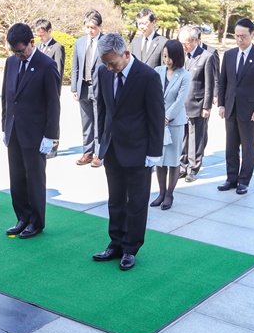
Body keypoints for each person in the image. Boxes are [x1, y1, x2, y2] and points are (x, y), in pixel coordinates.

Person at [92, 33, 165, 270]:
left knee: (136, 203)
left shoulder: (147, 76)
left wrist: (153, 152)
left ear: (126, 54)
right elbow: (102, 110)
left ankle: (131, 248)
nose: (110, 68)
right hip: (112, 148)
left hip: (139, 150)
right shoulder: (104, 72)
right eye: (106, 64)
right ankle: (116, 242)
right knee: (115, 200)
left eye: (113, 63)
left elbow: (155, 117)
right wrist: (99, 144)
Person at [1, 23, 61, 239]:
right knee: (16, 178)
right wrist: (4, 126)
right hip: (14, 130)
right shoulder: (11, 63)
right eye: (15, 51)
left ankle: (36, 221)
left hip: (35, 133)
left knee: (34, 179)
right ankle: (22, 217)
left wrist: (51, 136)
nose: (19, 55)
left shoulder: (46, 65)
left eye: (21, 50)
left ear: (31, 43)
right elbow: (6, 98)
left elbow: (53, 104)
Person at [217, 18, 254, 195]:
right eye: (237, 36)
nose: (240, 40)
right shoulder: (229, 55)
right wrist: (221, 104)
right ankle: (231, 178)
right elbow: (223, 81)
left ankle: (244, 180)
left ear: (252, 34)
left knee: (248, 146)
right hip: (230, 107)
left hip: (249, 110)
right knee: (230, 145)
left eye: (243, 36)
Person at [151, 40, 191, 210]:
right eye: (165, 56)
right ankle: (160, 192)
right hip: (158, 121)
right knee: (160, 159)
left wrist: (166, 117)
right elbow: (152, 94)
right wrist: (157, 115)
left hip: (175, 123)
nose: (167, 60)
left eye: (170, 57)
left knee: (173, 160)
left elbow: (180, 100)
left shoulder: (185, 75)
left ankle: (169, 194)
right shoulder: (157, 71)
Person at [177, 25, 215, 182]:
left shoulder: (206, 57)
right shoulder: (181, 55)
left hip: (197, 103)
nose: (184, 46)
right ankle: (181, 165)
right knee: (182, 137)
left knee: (195, 138)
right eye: (182, 43)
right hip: (181, 105)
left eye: (186, 43)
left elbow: (209, 84)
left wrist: (206, 106)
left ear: (195, 40)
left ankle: (193, 167)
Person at [70, 10, 104, 167]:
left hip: (100, 89)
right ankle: (87, 152)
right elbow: (75, 65)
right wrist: (74, 87)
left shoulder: (105, 42)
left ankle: (99, 153)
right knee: (86, 122)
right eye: (87, 27)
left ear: (100, 27)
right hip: (83, 86)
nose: (90, 30)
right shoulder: (80, 42)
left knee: (99, 122)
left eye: (93, 27)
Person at [35, 18, 65, 159]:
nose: (40, 38)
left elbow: (58, 71)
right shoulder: (36, 46)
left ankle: (54, 145)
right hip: (38, 90)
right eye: (38, 35)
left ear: (49, 32)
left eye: (42, 35)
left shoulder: (57, 47)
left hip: (51, 89)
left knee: (52, 116)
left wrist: (55, 91)